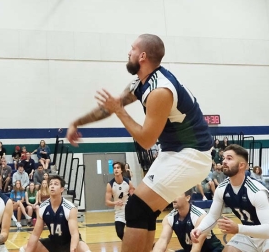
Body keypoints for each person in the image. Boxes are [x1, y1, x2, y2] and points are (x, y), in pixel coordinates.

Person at [67, 34, 213, 252]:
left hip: (192, 155)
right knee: (144, 210)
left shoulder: (160, 90)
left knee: (135, 207)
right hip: (175, 152)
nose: (129, 52)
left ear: (142, 56)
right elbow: (113, 105)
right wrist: (78, 122)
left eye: (132, 49)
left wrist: (119, 111)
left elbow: (146, 140)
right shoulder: (142, 82)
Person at [190, 144, 269, 252]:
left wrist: (238, 228)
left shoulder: (256, 191)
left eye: (229, 158)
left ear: (241, 165)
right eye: (224, 158)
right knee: (229, 250)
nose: (224, 161)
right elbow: (213, 216)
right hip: (249, 233)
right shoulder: (222, 189)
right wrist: (199, 229)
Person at [20, 175, 91, 252]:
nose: (52, 186)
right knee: (24, 249)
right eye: (50, 184)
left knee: (85, 250)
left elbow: (74, 235)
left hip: (69, 242)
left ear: (62, 189)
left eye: (56, 184)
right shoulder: (43, 208)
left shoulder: (70, 208)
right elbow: (35, 235)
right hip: (53, 242)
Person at [153, 189, 223, 252]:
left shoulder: (199, 216)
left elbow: (196, 249)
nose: (173, 197)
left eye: (177, 194)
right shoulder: (169, 218)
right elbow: (162, 240)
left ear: (187, 198)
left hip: (212, 250)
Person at [105, 161, 134, 240]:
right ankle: (129, 245)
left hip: (129, 211)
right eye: (114, 168)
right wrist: (115, 202)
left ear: (121, 170)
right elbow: (107, 202)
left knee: (134, 232)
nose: (116, 169)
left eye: (118, 168)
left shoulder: (128, 182)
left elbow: (133, 194)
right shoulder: (110, 184)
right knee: (120, 233)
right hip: (119, 212)